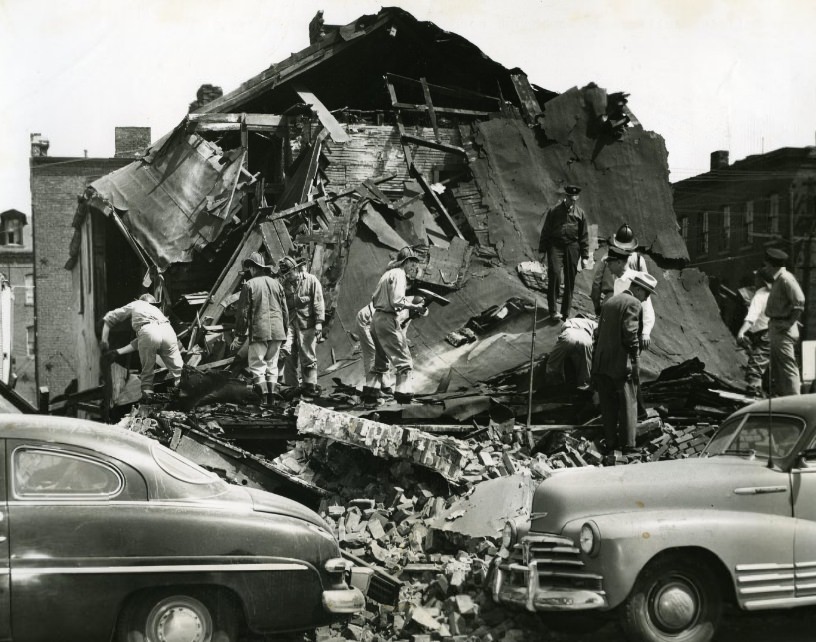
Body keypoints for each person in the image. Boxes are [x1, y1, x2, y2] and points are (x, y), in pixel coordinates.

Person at [591, 271, 657, 455]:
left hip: (602, 363)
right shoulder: (633, 303)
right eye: (646, 293)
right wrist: (635, 357)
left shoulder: (610, 301)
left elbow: (598, 333)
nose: (647, 298)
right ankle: (628, 445)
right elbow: (630, 333)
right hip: (621, 364)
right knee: (629, 403)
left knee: (608, 405)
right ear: (637, 288)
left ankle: (611, 443)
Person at [363, 247, 427, 407]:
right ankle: (403, 397)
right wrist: (416, 307)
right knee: (404, 360)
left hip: (375, 319)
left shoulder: (387, 275)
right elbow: (397, 300)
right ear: (406, 262)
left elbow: (374, 297)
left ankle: (370, 397)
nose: (414, 268)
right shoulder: (399, 275)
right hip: (387, 319)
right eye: (412, 263)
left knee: (380, 361)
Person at [230, 252, 289, 405]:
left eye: (249, 268)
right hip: (277, 332)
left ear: (253, 268)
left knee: (257, 365)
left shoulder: (249, 285)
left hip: (259, 332)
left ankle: (262, 401)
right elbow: (285, 311)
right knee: (272, 365)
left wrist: (240, 336)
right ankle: (272, 401)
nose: (248, 271)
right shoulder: (277, 284)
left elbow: (243, 313)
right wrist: (285, 331)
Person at [100, 293, 183, 400]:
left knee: (147, 374)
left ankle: (147, 403)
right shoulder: (157, 311)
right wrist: (118, 352)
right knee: (179, 372)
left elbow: (111, 317)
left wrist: (104, 339)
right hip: (168, 331)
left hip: (148, 332)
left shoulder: (137, 304)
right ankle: (183, 398)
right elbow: (140, 341)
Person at [538, 184, 591, 321]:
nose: (572, 202)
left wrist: (585, 256)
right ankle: (553, 311)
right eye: (570, 199)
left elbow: (584, 235)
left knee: (570, 279)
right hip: (556, 246)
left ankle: (565, 313)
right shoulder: (554, 211)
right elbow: (546, 231)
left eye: (575, 199)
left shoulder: (580, 214)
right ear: (565, 197)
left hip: (572, 247)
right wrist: (542, 250)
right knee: (555, 274)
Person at [279, 255, 325, 397]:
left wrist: (318, 323)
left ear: (297, 269)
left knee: (308, 357)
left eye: (290, 273)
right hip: (291, 323)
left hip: (307, 324)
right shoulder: (284, 284)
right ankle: (292, 390)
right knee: (288, 356)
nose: (288, 277)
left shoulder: (311, 281)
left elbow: (318, 302)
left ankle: (309, 388)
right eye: (285, 274)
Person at [763, 248, 805, 397]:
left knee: (787, 367)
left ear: (772, 265)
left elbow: (799, 302)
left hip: (783, 328)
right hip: (777, 326)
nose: (766, 268)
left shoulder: (786, 279)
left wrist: (788, 323)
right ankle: (785, 400)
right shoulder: (779, 279)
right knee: (779, 368)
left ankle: (795, 400)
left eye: (767, 265)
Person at [591, 223, 648, 315]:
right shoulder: (639, 260)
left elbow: (596, 284)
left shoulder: (607, 257)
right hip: (630, 306)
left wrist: (597, 307)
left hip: (610, 302)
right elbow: (645, 288)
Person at [736, 267, 774, 396]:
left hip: (765, 334)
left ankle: (755, 395)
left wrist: (741, 332)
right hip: (778, 334)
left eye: (756, 277)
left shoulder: (760, 295)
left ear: (761, 280)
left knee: (755, 369)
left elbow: (751, 318)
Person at [544, 313, 597, 390]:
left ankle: (551, 386)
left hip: (569, 334)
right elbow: (598, 333)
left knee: (553, 363)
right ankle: (584, 387)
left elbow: (562, 335)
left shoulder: (570, 320)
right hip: (586, 338)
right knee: (585, 366)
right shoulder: (592, 323)